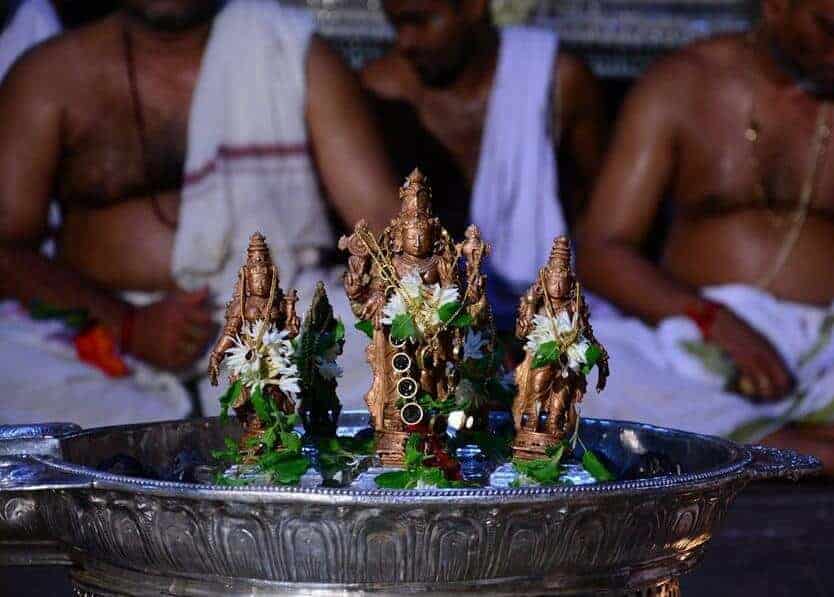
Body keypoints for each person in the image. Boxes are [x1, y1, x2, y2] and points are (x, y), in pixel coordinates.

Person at [0, 0, 399, 427]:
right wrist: (130, 326)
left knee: (396, 353)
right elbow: (6, 249)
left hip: (274, 324)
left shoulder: (294, 56)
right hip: (102, 337)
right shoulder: (51, 76)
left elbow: (382, 225)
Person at [578, 0, 834, 471]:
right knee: (581, 376)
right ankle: (805, 450)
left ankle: (753, 447)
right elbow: (601, 249)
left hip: (826, 352)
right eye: (827, 28)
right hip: (697, 344)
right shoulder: (683, 85)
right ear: (777, 7)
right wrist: (711, 321)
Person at [361, 0, 607, 328]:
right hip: (426, 308)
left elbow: (596, 213)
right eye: (396, 26)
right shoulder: (384, 92)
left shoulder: (556, 82)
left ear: (475, 7)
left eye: (419, 22)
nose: (405, 42)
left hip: (548, 308)